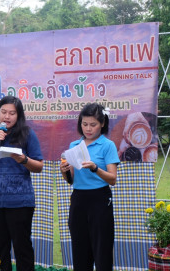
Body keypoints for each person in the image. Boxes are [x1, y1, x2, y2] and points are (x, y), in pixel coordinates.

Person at [0, 95, 44, 271]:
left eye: (12, 113)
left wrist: (23, 159)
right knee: (0, 248)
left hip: (20, 201)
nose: (7, 116)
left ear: (18, 115)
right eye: (3, 112)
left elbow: (38, 166)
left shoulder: (27, 134)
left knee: (22, 248)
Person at [60, 103, 120, 271]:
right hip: (79, 199)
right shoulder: (74, 146)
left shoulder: (108, 145)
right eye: (84, 124)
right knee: (80, 248)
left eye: (93, 125)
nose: (88, 128)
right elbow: (70, 180)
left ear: (102, 124)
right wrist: (64, 171)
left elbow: (112, 179)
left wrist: (95, 168)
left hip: (100, 200)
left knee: (102, 249)